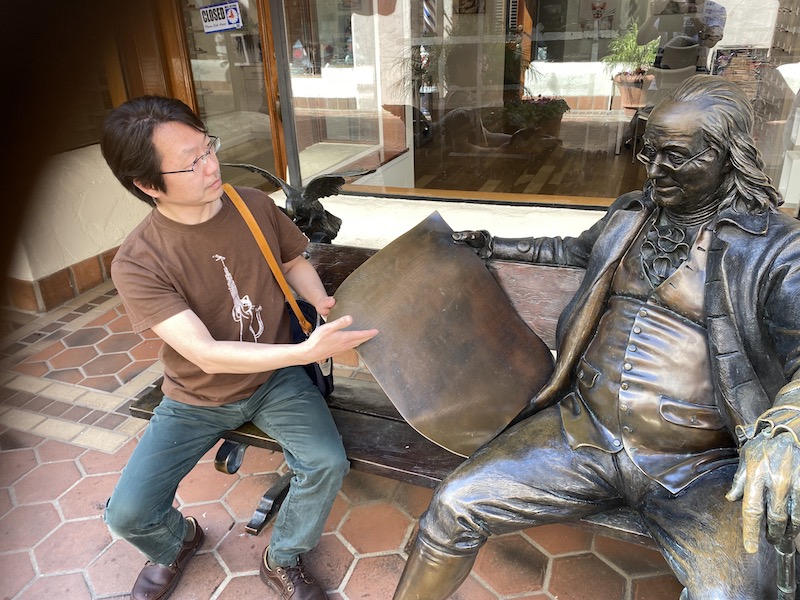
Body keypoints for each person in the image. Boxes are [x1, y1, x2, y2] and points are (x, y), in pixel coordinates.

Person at [393, 74, 800, 599]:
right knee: (452, 505)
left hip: (698, 468)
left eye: (676, 157)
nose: (655, 170)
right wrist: (492, 245)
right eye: (649, 152)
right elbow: (569, 251)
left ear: (728, 156)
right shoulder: (632, 212)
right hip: (581, 432)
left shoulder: (776, 248)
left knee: (735, 594)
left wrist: (786, 427)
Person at [99, 95, 378, 600]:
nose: (212, 166)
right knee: (128, 514)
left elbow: (291, 260)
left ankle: (283, 556)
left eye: (208, 148)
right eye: (191, 163)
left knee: (326, 463)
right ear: (147, 184)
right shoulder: (139, 261)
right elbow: (204, 353)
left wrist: (319, 299)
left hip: (275, 381)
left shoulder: (250, 204)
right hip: (195, 395)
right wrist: (303, 353)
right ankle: (176, 541)